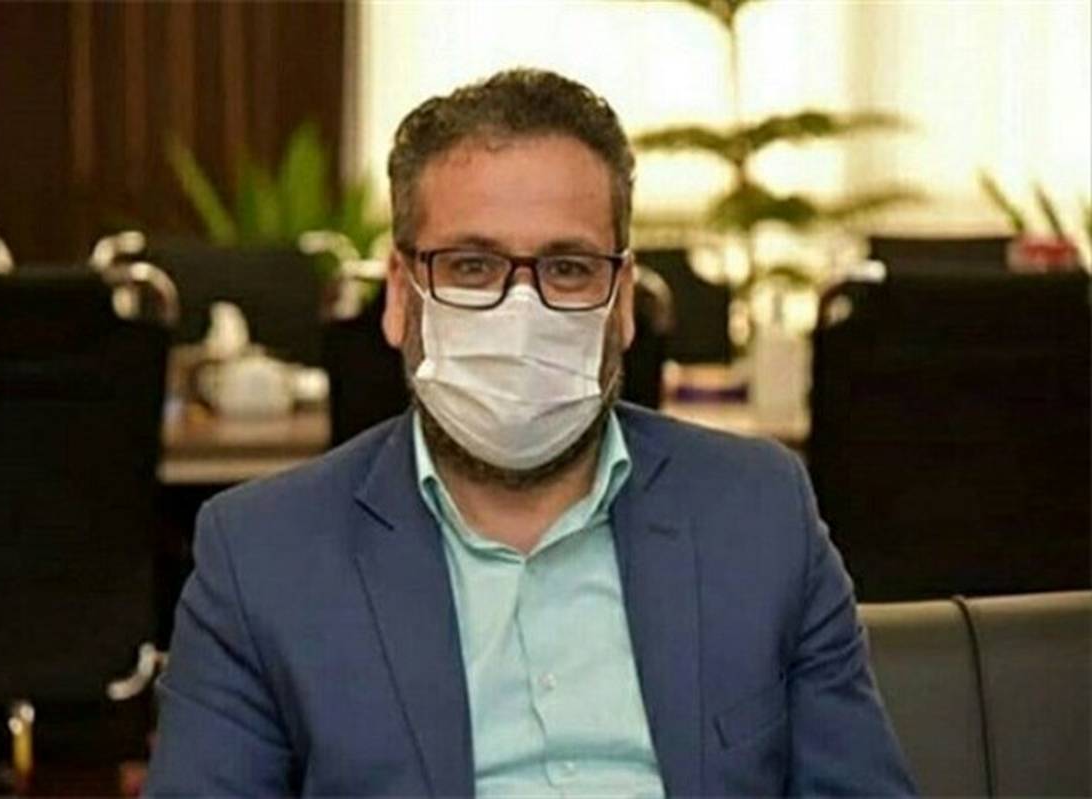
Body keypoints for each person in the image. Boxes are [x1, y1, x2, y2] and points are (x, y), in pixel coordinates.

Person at [146, 69, 915, 796]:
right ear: (399, 298)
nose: (522, 313)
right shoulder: (260, 555)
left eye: (568, 268)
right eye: (472, 267)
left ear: (622, 301)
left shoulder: (759, 512)